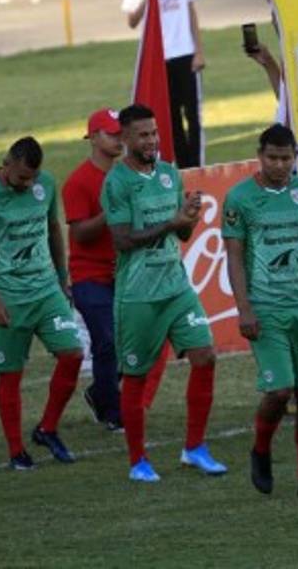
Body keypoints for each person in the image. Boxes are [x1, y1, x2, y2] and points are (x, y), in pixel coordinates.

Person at [223, 124, 298, 496]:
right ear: (259, 156)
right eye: (272, 158)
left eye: (286, 158)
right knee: (279, 391)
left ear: (295, 157)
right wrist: (244, 308)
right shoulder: (240, 198)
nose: (279, 165)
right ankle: (261, 449)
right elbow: (234, 256)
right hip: (266, 308)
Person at [103, 104, 225, 482]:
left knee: (205, 356)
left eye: (154, 133)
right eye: (143, 135)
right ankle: (137, 461)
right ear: (125, 138)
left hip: (176, 287)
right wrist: (171, 222)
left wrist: (188, 217)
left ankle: (194, 448)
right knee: (136, 377)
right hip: (138, 295)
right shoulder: (117, 182)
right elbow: (123, 240)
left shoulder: (170, 174)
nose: (151, 141)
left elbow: (182, 234)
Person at [0, 137, 84, 470]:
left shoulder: (45, 184)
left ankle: (47, 429)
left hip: (47, 291)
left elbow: (54, 230)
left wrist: (62, 278)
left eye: (33, 177)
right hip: (10, 296)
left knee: (73, 354)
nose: (28, 184)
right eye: (22, 178)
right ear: (7, 164)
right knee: (11, 375)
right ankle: (17, 452)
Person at [62, 108, 124, 431]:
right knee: (106, 342)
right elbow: (80, 233)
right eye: (112, 134)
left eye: (120, 133)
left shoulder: (124, 175)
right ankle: (112, 412)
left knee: (128, 343)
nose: (119, 139)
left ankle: (100, 393)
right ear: (94, 137)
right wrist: (109, 213)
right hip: (89, 277)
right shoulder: (78, 182)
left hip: (122, 274)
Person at [121, 0, 206, 167]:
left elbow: (191, 11)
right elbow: (132, 21)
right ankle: (182, 165)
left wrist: (198, 50)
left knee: (193, 113)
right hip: (160, 59)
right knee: (170, 116)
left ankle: (197, 164)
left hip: (184, 54)